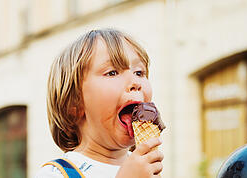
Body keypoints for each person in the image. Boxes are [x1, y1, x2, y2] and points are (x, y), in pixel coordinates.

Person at [35, 29, 164, 178]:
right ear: (74, 105)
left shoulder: (147, 168)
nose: (135, 82)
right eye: (112, 72)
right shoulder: (55, 174)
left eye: (139, 73)